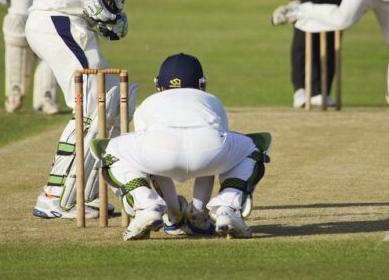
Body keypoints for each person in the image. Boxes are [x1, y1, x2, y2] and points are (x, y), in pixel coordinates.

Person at [27, 0, 161, 220]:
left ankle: (82, 193)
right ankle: (54, 195)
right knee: (92, 101)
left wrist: (114, 15)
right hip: (57, 19)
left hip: (72, 24)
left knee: (110, 98)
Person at [90, 53, 271, 241]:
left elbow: (150, 163)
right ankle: (225, 209)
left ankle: (149, 207)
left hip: (157, 152)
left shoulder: (149, 103)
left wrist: (173, 207)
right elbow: (212, 152)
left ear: (160, 85)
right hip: (210, 150)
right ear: (201, 83)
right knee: (252, 147)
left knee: (110, 150)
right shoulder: (211, 100)